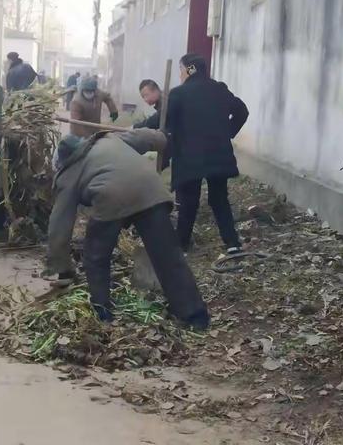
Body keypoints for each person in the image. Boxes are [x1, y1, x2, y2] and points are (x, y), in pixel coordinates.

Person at [45, 128, 210, 330]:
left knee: (96, 257)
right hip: (151, 190)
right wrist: (162, 139)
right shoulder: (109, 138)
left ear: (61, 162)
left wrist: (62, 268)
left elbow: (59, 226)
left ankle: (102, 311)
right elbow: (148, 137)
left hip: (111, 197)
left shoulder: (68, 173)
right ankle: (195, 315)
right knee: (168, 255)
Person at [167, 53, 249, 254]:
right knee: (219, 198)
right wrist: (227, 132)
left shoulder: (178, 93)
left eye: (181, 69)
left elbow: (168, 125)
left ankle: (182, 245)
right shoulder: (219, 89)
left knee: (188, 201)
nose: (180, 74)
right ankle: (232, 243)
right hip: (217, 153)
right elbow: (242, 111)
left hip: (189, 156)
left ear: (189, 69)